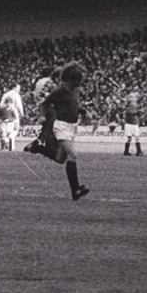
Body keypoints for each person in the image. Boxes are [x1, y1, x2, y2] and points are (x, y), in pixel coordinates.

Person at [42, 62, 91, 200]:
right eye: (78, 80)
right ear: (70, 80)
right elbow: (45, 104)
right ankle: (75, 190)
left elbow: (74, 107)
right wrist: (42, 116)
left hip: (72, 126)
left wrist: (84, 111)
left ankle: (38, 148)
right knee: (73, 155)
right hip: (61, 126)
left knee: (60, 158)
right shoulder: (58, 92)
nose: (80, 83)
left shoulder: (74, 91)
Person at [0, 80, 24, 151]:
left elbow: (1, 105)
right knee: (15, 130)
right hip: (14, 113)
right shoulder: (15, 94)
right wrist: (22, 113)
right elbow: (19, 105)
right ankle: (9, 142)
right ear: (14, 87)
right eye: (18, 88)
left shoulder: (5, 94)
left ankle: (9, 144)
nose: (19, 90)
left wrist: (4, 112)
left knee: (5, 131)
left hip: (5, 115)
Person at [119, 92, 147, 156]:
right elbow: (131, 113)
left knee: (136, 137)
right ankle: (129, 151)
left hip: (132, 124)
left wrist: (142, 97)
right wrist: (139, 111)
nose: (134, 100)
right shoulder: (129, 107)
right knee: (131, 138)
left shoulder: (134, 106)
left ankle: (137, 151)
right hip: (131, 124)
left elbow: (139, 101)